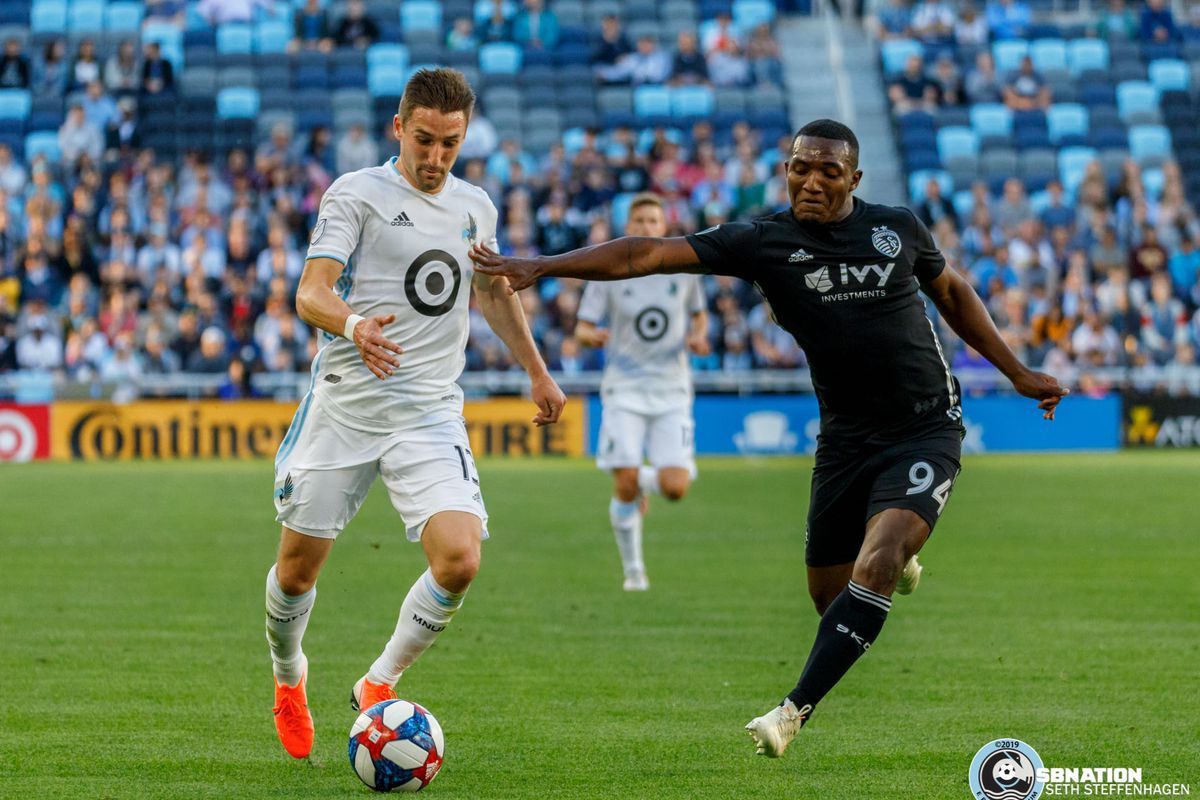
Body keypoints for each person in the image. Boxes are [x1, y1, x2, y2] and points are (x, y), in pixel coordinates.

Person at [469, 118, 1066, 758]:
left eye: (828, 171)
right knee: (828, 598)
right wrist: (545, 265)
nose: (810, 181)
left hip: (925, 427)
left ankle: (792, 711)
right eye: (799, 167)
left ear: (854, 179)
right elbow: (645, 255)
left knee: (880, 559)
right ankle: (893, 553)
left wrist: (1018, 372)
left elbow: (950, 291)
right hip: (844, 440)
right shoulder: (761, 241)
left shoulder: (898, 229)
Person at [265, 67, 566, 760]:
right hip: (345, 402)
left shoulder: (475, 206)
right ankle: (289, 676)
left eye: (449, 145)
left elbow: (493, 294)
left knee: (460, 559)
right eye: (424, 141)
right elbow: (310, 291)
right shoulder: (357, 194)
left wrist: (537, 371)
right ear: (398, 128)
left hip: (428, 409)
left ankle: (379, 684)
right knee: (295, 574)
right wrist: (353, 324)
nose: (434, 159)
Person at [575, 193, 709, 591]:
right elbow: (581, 328)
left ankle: (641, 478)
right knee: (624, 484)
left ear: (664, 226)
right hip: (624, 389)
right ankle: (634, 571)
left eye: (654, 221)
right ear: (628, 227)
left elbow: (700, 317)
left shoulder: (684, 272)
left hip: (672, 389)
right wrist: (592, 336)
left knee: (675, 488)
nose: (647, 227)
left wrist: (699, 337)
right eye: (640, 221)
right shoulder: (610, 271)